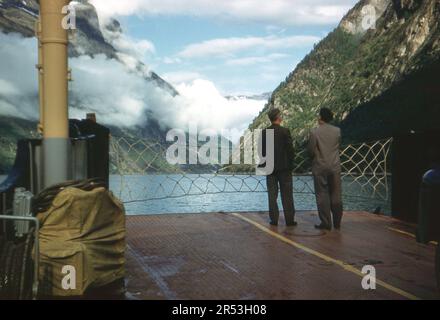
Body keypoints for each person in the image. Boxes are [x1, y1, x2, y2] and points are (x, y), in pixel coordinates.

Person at [308, 108, 343, 231]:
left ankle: (326, 222)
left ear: (320, 117)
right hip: (335, 166)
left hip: (320, 167)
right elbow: (338, 146)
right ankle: (337, 222)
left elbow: (311, 151)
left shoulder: (314, 132)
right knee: (336, 194)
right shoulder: (337, 131)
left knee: (322, 195)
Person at [261, 108, 297, 227]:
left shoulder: (265, 132)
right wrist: (291, 164)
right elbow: (290, 150)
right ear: (278, 117)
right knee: (287, 195)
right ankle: (289, 220)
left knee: (272, 195)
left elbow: (261, 152)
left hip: (270, 168)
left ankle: (274, 220)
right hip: (285, 168)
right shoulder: (285, 131)